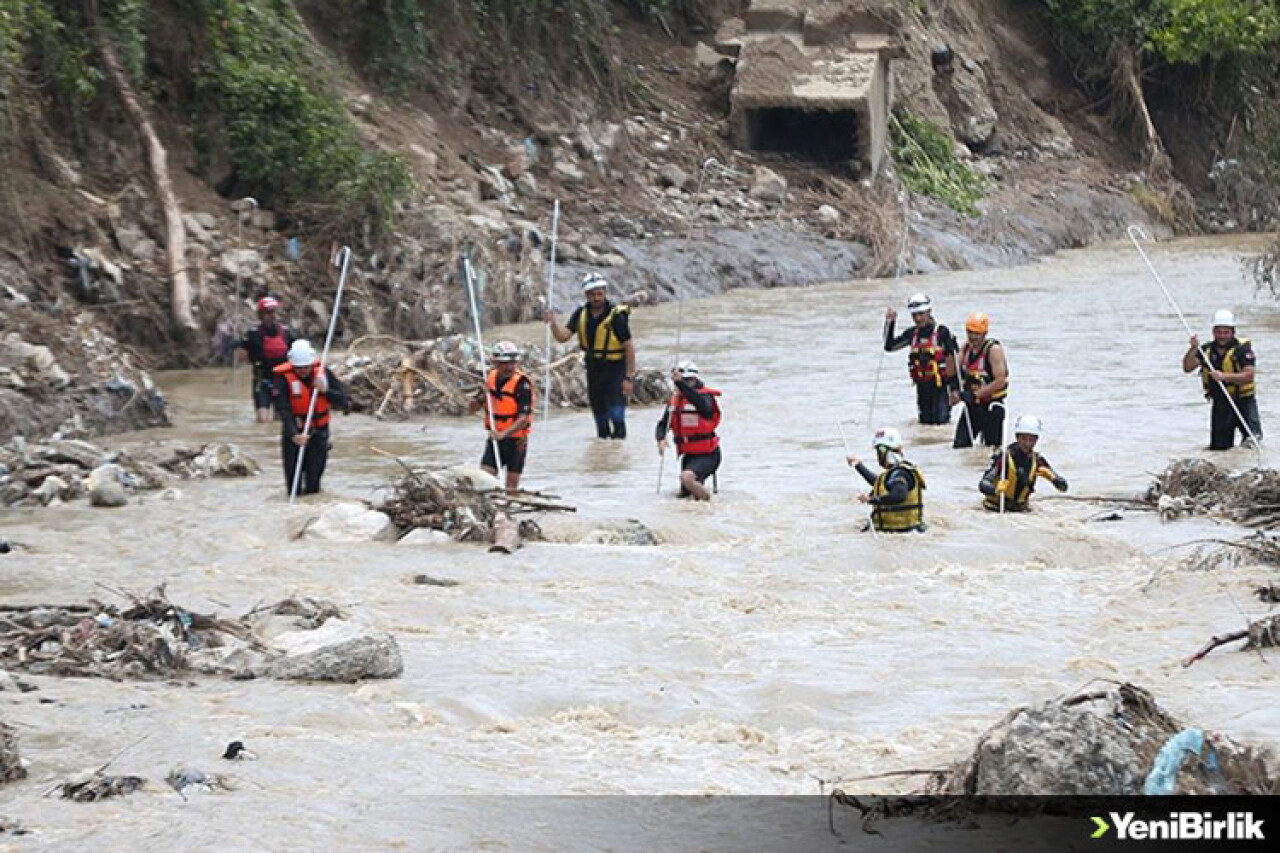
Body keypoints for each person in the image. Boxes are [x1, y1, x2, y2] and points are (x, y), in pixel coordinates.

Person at [545, 273, 636, 439]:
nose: (596, 298)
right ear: (586, 295)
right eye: (592, 294)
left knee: (617, 415)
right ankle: (603, 448)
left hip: (616, 369)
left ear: (605, 293)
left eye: (600, 293)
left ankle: (617, 451)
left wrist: (629, 378)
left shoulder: (616, 316)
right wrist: (553, 324)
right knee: (599, 415)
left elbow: (629, 347)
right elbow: (563, 337)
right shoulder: (580, 314)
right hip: (594, 369)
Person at [273, 339, 347, 496]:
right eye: (298, 368)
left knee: (313, 485)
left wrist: (325, 391)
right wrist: (294, 434)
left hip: (318, 433)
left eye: (306, 367)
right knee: (294, 488)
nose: (303, 371)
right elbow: (284, 410)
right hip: (294, 434)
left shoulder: (323, 374)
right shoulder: (283, 380)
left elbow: (343, 400)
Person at [1182, 309, 1263, 450]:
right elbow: (1188, 367)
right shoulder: (1206, 350)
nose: (1222, 336)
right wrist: (1193, 348)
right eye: (1219, 332)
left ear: (1232, 332)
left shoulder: (1242, 350)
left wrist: (1224, 376)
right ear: (1214, 332)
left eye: (1226, 332)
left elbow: (1248, 376)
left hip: (1243, 401)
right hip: (1221, 403)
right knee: (1220, 449)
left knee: (1252, 443)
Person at [883, 293, 959, 425]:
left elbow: (953, 361)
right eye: (914, 315)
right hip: (922, 387)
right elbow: (889, 346)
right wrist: (890, 323)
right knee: (925, 423)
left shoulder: (942, 332)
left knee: (941, 423)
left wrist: (955, 389)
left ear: (929, 311)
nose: (918, 318)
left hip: (941, 388)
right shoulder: (912, 334)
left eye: (921, 314)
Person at [469, 341, 534, 493]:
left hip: (516, 441)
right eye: (505, 363)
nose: (509, 367)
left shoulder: (522, 384)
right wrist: (480, 397)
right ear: (495, 363)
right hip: (495, 440)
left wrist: (503, 434)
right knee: (485, 479)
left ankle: (509, 509)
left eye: (512, 363)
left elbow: (523, 418)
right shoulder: (489, 379)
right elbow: (472, 409)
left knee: (511, 486)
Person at [655, 361, 722, 501]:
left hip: (708, 454)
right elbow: (662, 424)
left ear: (695, 380)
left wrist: (680, 383)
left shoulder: (705, 398)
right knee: (685, 495)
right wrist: (661, 439)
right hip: (689, 456)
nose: (685, 384)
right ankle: (699, 511)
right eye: (683, 381)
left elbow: (701, 405)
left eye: (688, 381)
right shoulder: (675, 402)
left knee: (687, 477)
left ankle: (710, 502)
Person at [979, 414, 1067, 512]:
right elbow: (983, 484)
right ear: (1017, 437)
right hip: (995, 508)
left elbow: (1063, 488)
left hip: (1020, 509)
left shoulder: (1038, 460)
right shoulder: (1003, 457)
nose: (1027, 444)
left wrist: (1055, 480)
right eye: (1024, 439)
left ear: (1036, 440)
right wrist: (994, 490)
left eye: (1031, 440)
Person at [845, 427, 926, 532]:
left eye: (881, 451)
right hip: (901, 531)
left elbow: (899, 495)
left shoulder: (900, 474)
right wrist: (858, 465)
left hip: (901, 533)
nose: (879, 456)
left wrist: (871, 500)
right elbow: (880, 484)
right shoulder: (898, 473)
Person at [951, 311, 1009, 448]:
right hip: (972, 407)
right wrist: (955, 392)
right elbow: (954, 372)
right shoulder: (965, 349)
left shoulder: (993, 350)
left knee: (991, 449)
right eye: (970, 332)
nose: (973, 337)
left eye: (977, 333)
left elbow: (1000, 380)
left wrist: (975, 394)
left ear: (984, 333)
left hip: (991, 407)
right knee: (960, 446)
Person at [238, 296, 295, 423]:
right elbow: (242, 356)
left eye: (273, 311)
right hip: (262, 381)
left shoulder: (287, 333)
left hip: (282, 381)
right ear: (261, 315)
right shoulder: (252, 334)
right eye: (268, 312)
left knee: (281, 419)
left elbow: (296, 356)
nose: (271, 315)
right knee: (262, 420)